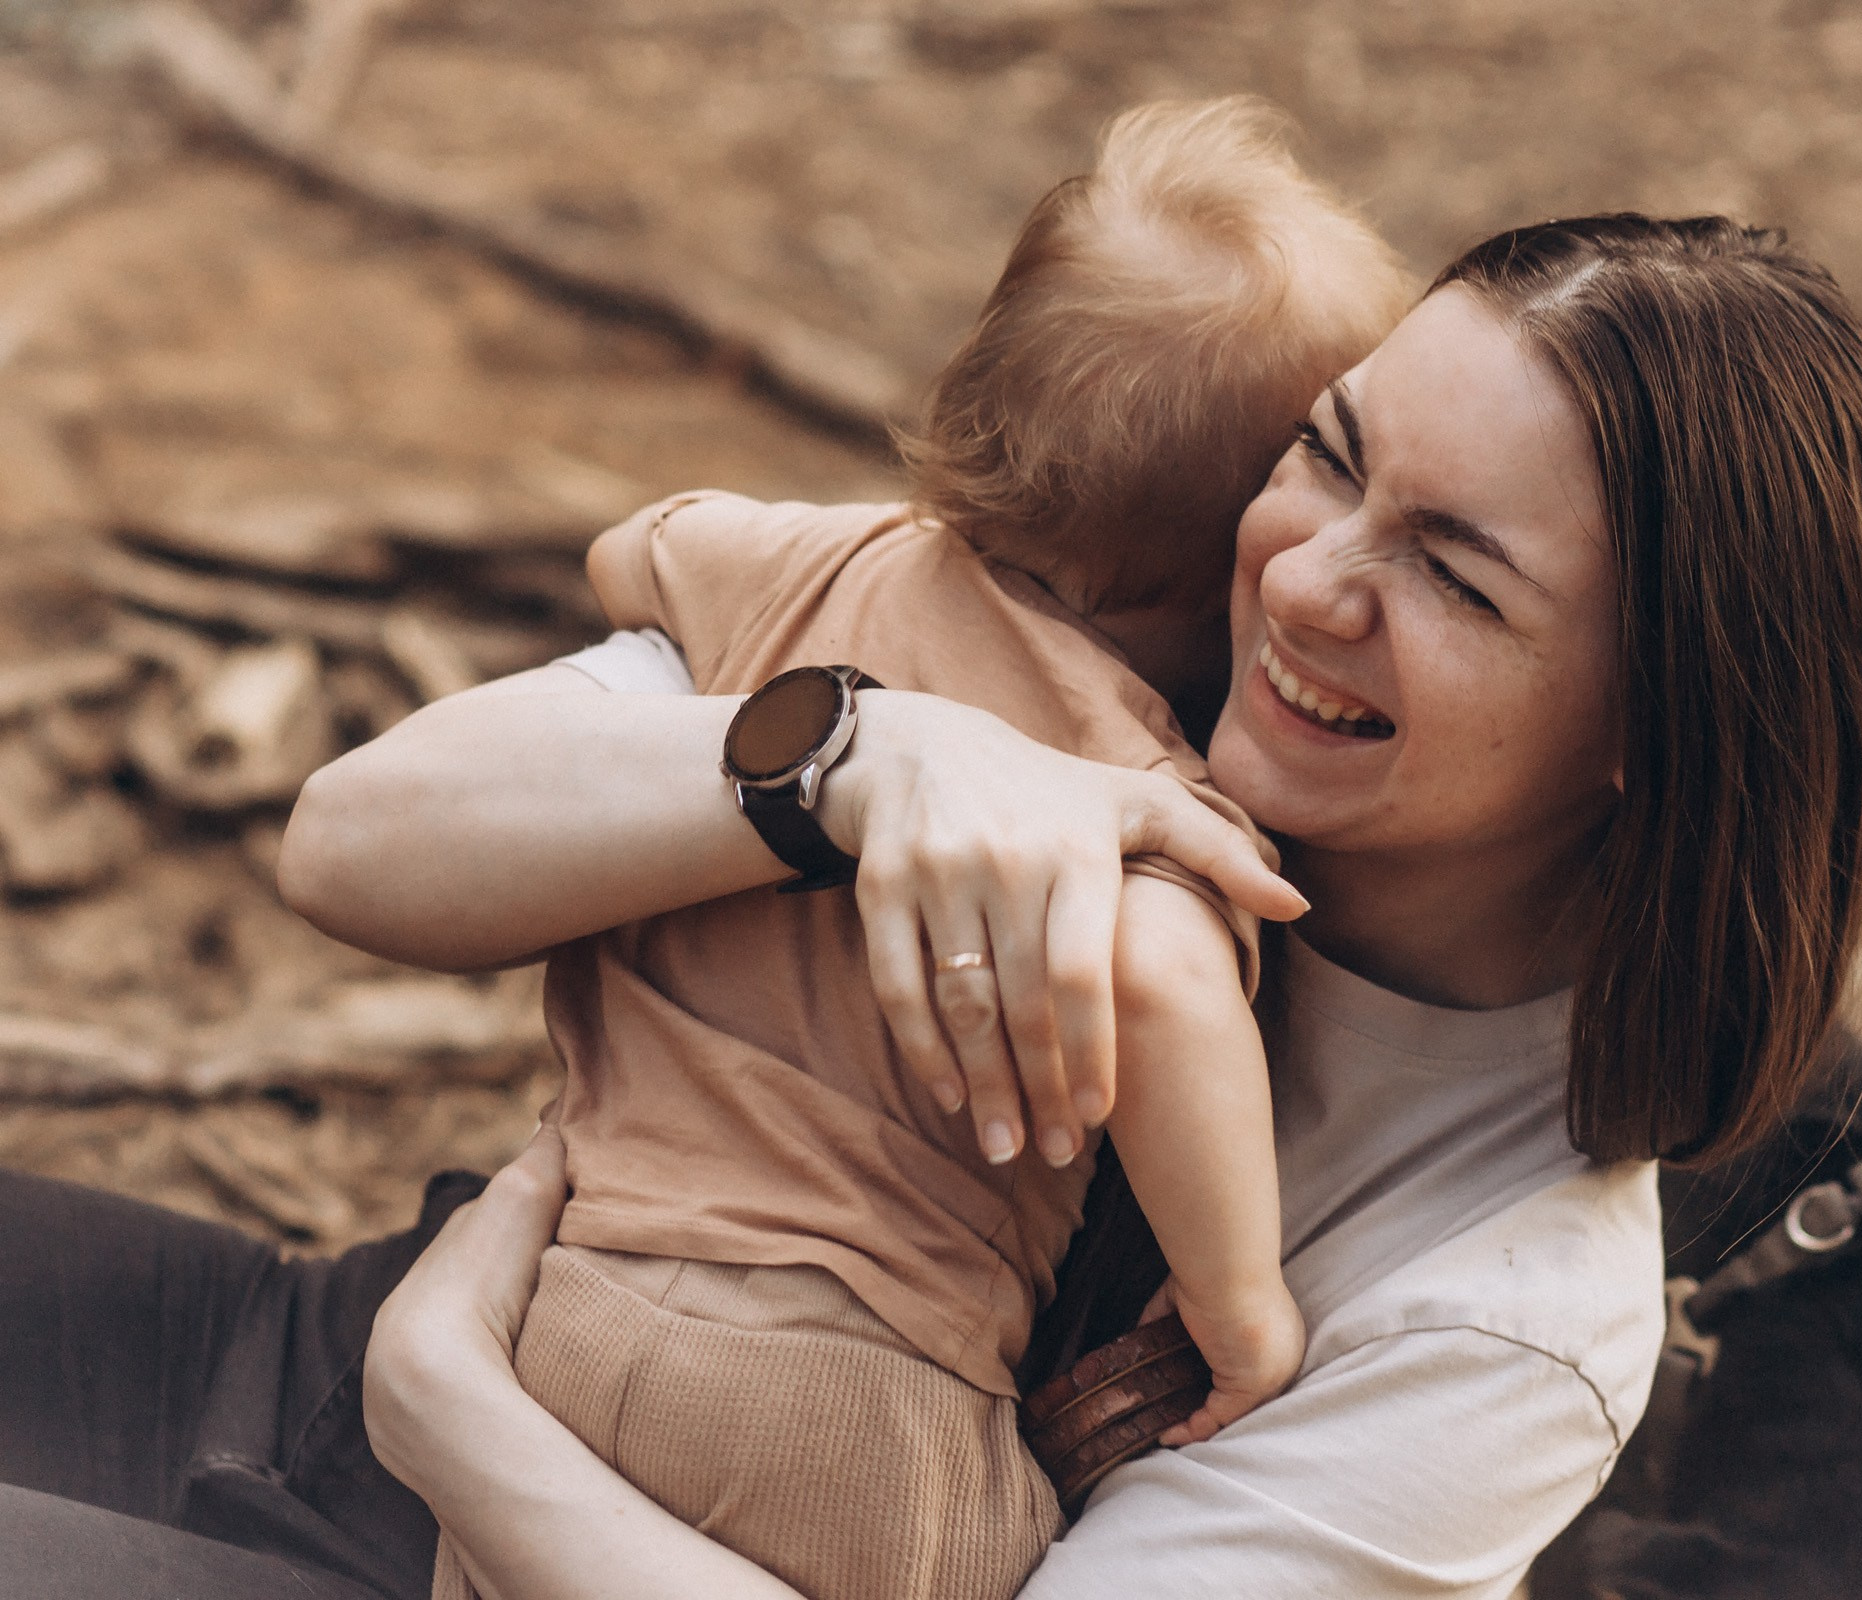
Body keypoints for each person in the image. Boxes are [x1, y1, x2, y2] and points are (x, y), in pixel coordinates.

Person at [0, 211, 1862, 1600]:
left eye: (1457, 575)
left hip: (518, 1494)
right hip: (326, 1354)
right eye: (1326, 458)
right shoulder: (1155, 652)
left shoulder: (1497, 1311)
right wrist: (862, 760)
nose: (1309, 582)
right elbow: (360, 840)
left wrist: (454, 1420)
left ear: (1651, 734)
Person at [299, 97, 1409, 1600]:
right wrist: (1241, 1303)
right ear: (1243, 553)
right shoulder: (1131, 776)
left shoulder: (795, 565)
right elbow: (1156, 987)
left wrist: (766, 599)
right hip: (866, 1393)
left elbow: (633, 548)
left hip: (577, 1315)